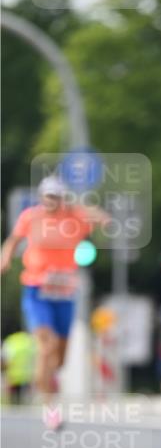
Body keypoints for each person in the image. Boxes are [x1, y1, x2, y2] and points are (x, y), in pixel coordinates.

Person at [0, 175, 110, 426]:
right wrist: (5, 257)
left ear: (63, 198)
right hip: (36, 290)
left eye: (57, 197)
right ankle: (50, 407)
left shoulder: (74, 217)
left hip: (64, 293)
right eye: (48, 196)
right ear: (40, 197)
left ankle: (48, 382)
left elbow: (104, 219)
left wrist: (77, 204)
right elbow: (14, 240)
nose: (52, 201)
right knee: (47, 346)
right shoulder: (31, 217)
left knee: (60, 358)